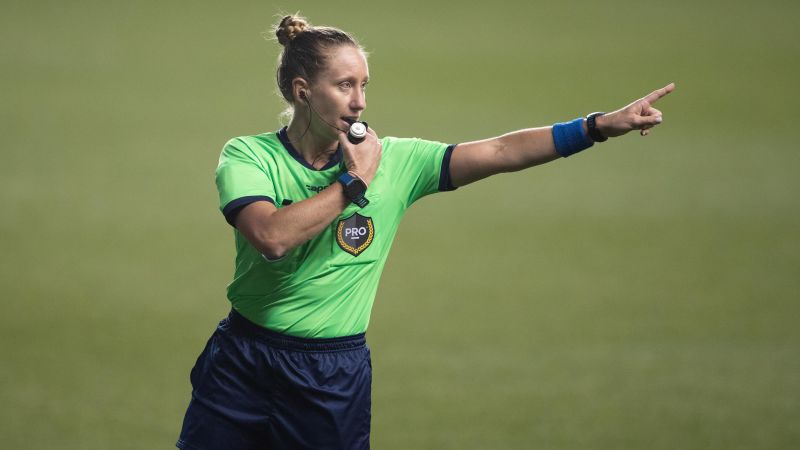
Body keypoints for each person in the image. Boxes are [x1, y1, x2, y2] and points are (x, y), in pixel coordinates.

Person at [176, 14, 675, 450]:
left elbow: (500, 151)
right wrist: (355, 182)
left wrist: (596, 127)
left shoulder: (397, 161)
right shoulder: (249, 156)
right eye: (344, 85)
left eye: (365, 85)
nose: (360, 102)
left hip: (330, 374)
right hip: (242, 362)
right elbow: (271, 236)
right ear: (303, 91)